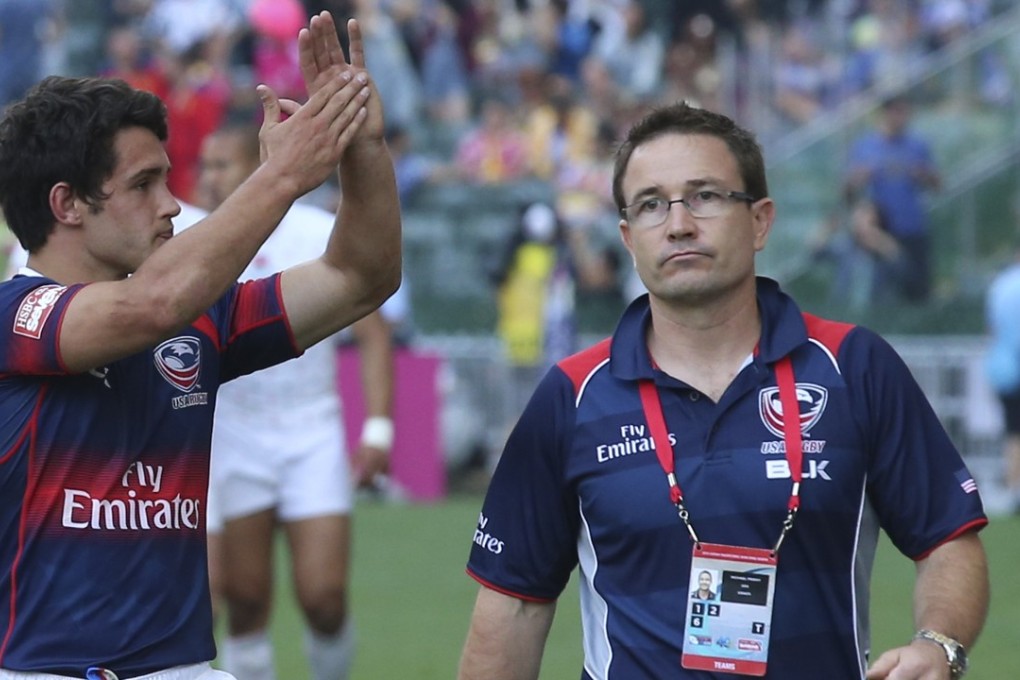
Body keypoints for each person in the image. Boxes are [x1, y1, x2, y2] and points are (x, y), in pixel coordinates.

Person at [459, 101, 988, 680]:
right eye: (652, 204)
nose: (679, 223)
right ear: (628, 236)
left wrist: (939, 644)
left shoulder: (853, 366)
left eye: (706, 195)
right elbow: (511, 606)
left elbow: (947, 538)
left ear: (760, 220)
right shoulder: (572, 396)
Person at [0, 10, 400, 679]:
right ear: (67, 204)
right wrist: (279, 177)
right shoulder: (18, 314)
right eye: (143, 185)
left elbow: (361, 277)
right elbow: (148, 305)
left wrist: (361, 147)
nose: (172, 204)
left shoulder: (198, 316)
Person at [197, 118, 395, 680]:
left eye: (222, 164)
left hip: (311, 427)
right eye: (204, 166)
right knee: (245, 602)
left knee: (324, 597)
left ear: (256, 162)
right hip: (234, 431)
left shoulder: (315, 229)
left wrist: (378, 427)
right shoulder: (194, 236)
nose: (209, 178)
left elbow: (373, 331)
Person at [845, 94, 942, 305]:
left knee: (918, 289)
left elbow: (938, 184)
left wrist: (924, 174)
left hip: (913, 226)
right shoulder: (866, 147)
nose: (903, 118)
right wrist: (859, 177)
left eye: (905, 112)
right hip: (880, 231)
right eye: (898, 112)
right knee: (883, 289)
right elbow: (848, 191)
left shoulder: (917, 146)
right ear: (885, 113)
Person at [984, 240, 1020, 514]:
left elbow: (992, 329)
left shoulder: (1000, 285)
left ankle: (1014, 489)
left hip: (1003, 368)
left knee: (1013, 433)